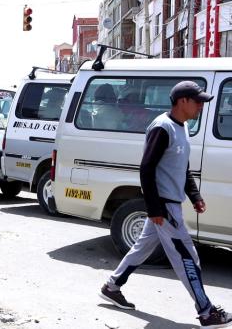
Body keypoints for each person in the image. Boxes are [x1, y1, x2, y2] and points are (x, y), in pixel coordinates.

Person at [99, 81, 232, 328]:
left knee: (142, 248)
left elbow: (182, 167)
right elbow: (146, 169)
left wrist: (195, 196)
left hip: (168, 203)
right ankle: (206, 311)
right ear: (183, 101)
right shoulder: (162, 128)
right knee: (188, 258)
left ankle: (111, 286)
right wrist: (155, 208)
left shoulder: (181, 128)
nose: (201, 106)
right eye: (198, 101)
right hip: (165, 206)